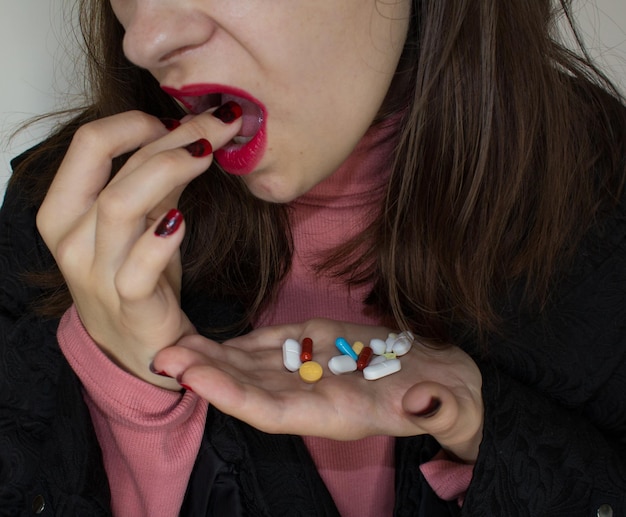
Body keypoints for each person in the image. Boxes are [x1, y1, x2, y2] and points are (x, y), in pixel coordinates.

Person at [1, 0, 625, 515]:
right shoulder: (64, 214)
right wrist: (133, 401)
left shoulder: (608, 195)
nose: (146, 36)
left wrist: (485, 434)